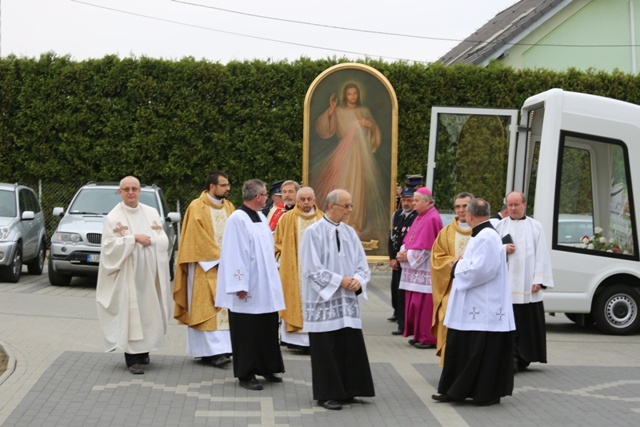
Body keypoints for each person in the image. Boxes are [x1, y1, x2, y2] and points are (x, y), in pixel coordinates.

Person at [433, 198, 515, 406]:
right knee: (462, 346)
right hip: (474, 306)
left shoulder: (486, 236)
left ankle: (480, 393)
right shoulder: (483, 235)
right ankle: (454, 389)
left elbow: (482, 270)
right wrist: (462, 263)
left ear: (470, 215)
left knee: (475, 349)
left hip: (481, 307)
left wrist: (456, 268)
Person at [301, 189, 375, 411]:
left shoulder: (350, 233)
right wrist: (340, 280)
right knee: (327, 348)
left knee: (348, 345)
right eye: (346, 206)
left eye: (351, 205)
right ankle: (327, 393)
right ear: (332, 206)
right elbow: (311, 269)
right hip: (324, 301)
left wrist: (358, 280)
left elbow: (362, 264)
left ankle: (349, 389)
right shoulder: (313, 232)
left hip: (347, 301)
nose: (350, 210)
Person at [96, 176, 172, 375]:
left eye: (134, 189)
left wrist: (152, 241)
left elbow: (163, 239)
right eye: (126, 189)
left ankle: (144, 352)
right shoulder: (113, 217)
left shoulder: (151, 212)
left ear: (140, 191)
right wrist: (133, 239)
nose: (131, 192)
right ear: (120, 192)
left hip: (151, 274)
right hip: (129, 275)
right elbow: (108, 248)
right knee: (132, 313)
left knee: (150, 311)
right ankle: (132, 359)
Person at [215, 179, 285, 391]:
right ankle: (246, 373)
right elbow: (235, 252)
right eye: (265, 194)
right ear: (258, 197)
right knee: (247, 331)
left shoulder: (261, 218)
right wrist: (239, 284)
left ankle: (267, 366)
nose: (267, 197)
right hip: (248, 286)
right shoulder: (238, 219)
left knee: (266, 326)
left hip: (264, 285)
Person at [173, 171, 234, 369]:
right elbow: (194, 237)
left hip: (226, 268)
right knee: (206, 308)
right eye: (223, 185)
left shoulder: (230, 207)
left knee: (224, 309)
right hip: (203, 266)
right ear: (212, 187)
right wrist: (220, 256)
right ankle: (209, 352)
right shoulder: (196, 207)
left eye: (228, 185)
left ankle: (223, 349)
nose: (228, 188)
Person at [313, 82, 386, 238]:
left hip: (361, 155)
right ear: (345, 95)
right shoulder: (338, 111)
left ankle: (355, 225)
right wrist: (331, 110)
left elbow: (374, 134)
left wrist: (370, 126)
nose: (352, 97)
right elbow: (325, 129)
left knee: (359, 188)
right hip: (344, 154)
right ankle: (341, 221)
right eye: (349, 93)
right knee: (343, 185)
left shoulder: (364, 111)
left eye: (355, 93)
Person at [495, 191, 554, 372]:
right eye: (509, 205)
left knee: (525, 323)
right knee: (508, 323)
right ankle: (509, 358)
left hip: (527, 285)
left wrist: (539, 279)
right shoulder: (499, 226)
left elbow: (542, 254)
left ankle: (524, 357)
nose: (512, 208)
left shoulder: (535, 227)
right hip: (506, 285)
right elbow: (491, 251)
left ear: (524, 205)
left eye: (516, 205)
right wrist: (503, 248)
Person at [274, 186, 324, 353]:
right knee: (294, 299)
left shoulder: (322, 219)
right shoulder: (287, 218)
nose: (306, 202)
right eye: (302, 199)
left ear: (314, 200)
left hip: (316, 273)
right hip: (293, 270)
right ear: (297, 201)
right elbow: (277, 244)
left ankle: (315, 339)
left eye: (309, 199)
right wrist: (282, 260)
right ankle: (296, 341)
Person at [430, 192, 474, 366]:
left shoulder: (481, 232)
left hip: (474, 289)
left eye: (465, 206)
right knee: (445, 317)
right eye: (458, 206)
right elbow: (436, 258)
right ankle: (450, 363)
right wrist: (453, 262)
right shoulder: (446, 232)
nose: (461, 210)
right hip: (452, 288)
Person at [396, 187, 443, 349]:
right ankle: (418, 335)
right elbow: (410, 240)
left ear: (426, 201)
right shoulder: (421, 216)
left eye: (416, 200)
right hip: (415, 268)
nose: (413, 203)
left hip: (425, 268)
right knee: (414, 303)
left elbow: (426, 247)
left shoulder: (431, 218)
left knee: (424, 305)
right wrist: (403, 251)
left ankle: (427, 338)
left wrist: (406, 256)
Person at [388, 187, 418, 335]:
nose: (406, 203)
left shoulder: (417, 216)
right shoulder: (397, 215)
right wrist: (392, 257)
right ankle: (397, 314)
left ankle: (403, 323)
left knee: (403, 292)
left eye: (409, 200)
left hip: (408, 259)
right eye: (404, 200)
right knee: (395, 289)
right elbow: (392, 237)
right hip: (397, 259)